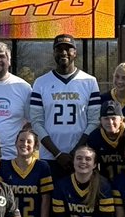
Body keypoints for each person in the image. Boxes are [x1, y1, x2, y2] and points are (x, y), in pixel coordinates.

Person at [29, 34, 101, 176]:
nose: (63, 53)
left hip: (81, 157)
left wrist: (76, 152)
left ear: (75, 52)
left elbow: (94, 121)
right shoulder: (41, 82)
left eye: (68, 49)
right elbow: (37, 123)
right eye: (59, 49)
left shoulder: (90, 82)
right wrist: (57, 153)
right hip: (50, 157)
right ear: (53, 53)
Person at [86, 100, 125, 184]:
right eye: (106, 119)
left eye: (113, 118)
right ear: (100, 120)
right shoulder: (94, 138)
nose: (110, 122)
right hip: (106, 185)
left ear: (122, 119)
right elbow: (91, 168)